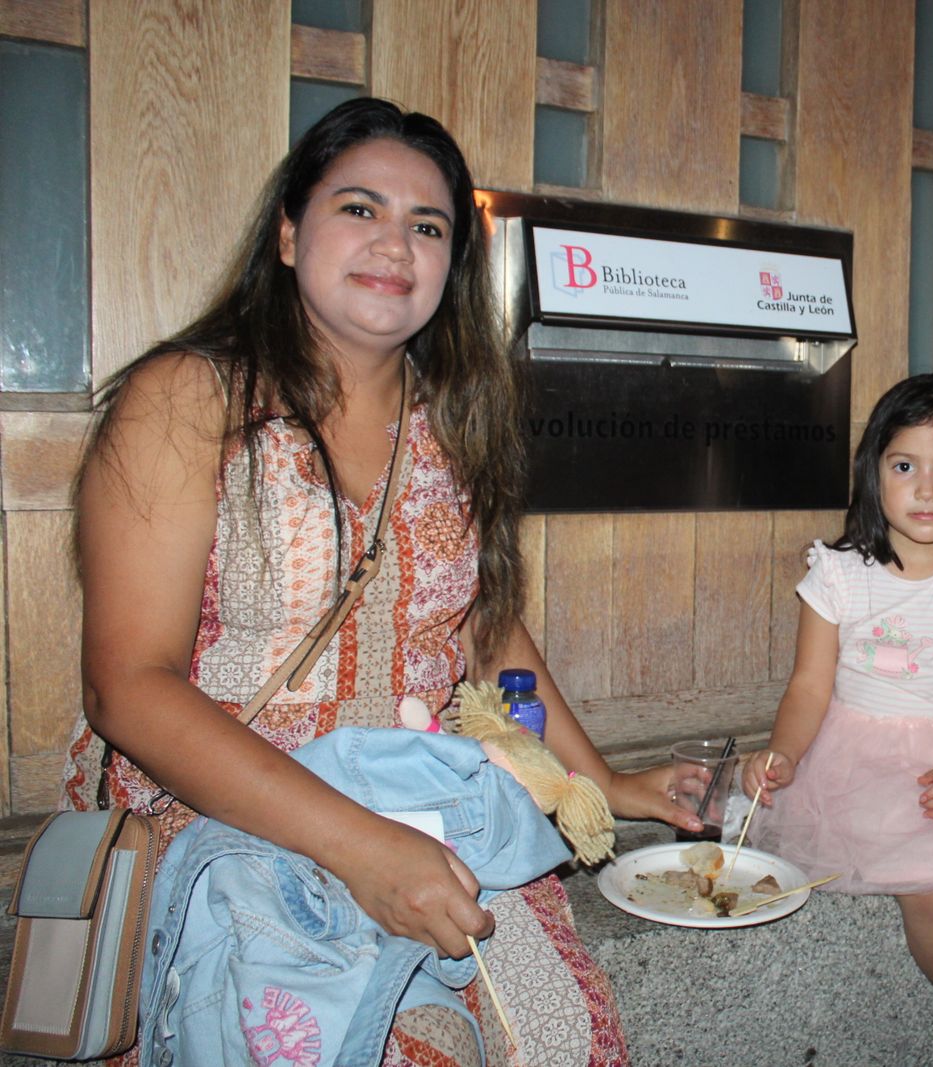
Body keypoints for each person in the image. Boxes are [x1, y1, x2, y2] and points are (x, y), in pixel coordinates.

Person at [61, 97, 699, 1066]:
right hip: (228, 812)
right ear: (287, 231)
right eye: (359, 208)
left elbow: (485, 630)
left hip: (430, 801)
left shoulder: (453, 421)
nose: (394, 243)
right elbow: (128, 686)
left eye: (428, 225)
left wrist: (596, 780)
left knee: (564, 1041)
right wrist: (359, 846)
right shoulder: (187, 400)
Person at [743, 372, 933, 1067]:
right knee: (931, 887)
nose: (926, 488)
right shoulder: (841, 571)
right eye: (905, 466)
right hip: (868, 762)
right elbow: (809, 685)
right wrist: (784, 752)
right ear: (873, 471)